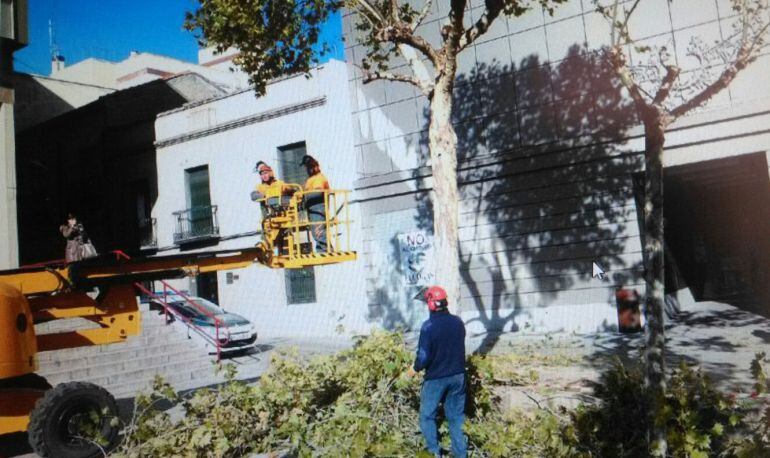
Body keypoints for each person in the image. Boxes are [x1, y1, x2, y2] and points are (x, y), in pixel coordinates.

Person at [411, 285, 467, 457]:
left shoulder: (428, 326)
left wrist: (414, 368)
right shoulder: (458, 322)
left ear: (430, 304)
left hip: (436, 378)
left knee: (427, 415)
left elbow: (424, 356)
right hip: (458, 377)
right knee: (456, 417)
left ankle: (434, 453)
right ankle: (461, 454)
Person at [300, 154, 330, 253]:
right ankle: (321, 250)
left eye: (308, 168)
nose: (306, 170)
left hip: (318, 207)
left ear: (313, 167)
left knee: (318, 232)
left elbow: (317, 192)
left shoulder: (319, 178)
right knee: (315, 232)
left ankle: (326, 250)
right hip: (312, 208)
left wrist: (303, 196)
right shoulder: (310, 180)